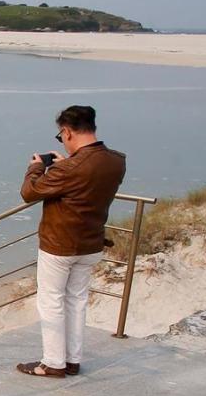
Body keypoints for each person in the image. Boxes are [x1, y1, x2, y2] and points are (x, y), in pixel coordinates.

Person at [16, 105, 126, 378]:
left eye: (60, 136)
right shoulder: (115, 161)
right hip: (91, 243)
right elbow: (87, 181)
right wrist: (66, 165)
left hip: (60, 245)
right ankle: (72, 360)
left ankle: (53, 363)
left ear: (66, 132)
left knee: (51, 301)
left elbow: (29, 192)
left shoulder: (70, 169)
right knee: (76, 300)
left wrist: (36, 168)